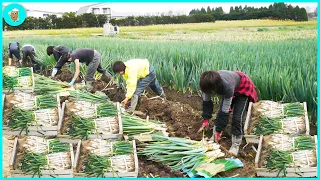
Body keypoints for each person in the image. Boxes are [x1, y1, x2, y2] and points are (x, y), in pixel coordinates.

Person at [198, 70, 258, 156]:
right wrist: (206, 120)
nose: (209, 93)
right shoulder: (206, 85)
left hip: (242, 87)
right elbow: (206, 103)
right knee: (219, 113)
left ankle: (236, 144)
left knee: (237, 118)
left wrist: (219, 131)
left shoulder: (226, 87)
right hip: (231, 83)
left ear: (215, 88)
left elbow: (225, 111)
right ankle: (214, 136)